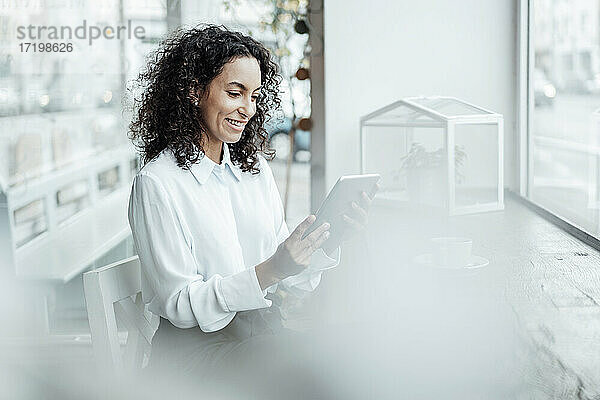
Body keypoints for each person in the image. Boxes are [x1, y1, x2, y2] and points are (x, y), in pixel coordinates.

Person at [126, 24, 373, 382]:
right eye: (234, 92)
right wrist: (271, 270)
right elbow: (179, 304)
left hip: (261, 336)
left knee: (350, 352)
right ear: (194, 91)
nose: (247, 109)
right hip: (195, 356)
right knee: (323, 367)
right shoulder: (157, 183)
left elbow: (290, 279)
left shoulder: (253, 171)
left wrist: (329, 240)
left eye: (254, 97)